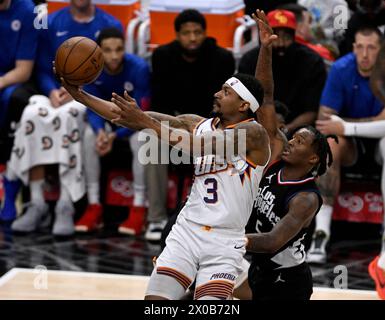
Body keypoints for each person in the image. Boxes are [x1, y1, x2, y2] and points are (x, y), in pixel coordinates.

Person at [56, 56, 270, 299]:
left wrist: (145, 122)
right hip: (187, 232)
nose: (217, 94)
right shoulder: (197, 124)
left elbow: (198, 147)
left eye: (226, 92)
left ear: (244, 105)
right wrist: (81, 96)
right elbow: (123, 115)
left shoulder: (254, 134)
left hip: (224, 240)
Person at [4, 0, 123, 235]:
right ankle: (37, 202)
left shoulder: (110, 23)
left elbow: (111, 72)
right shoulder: (52, 22)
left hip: (89, 96)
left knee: (69, 117)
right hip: (56, 91)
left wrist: (77, 92)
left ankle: (65, 205)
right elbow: (41, 68)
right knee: (32, 113)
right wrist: (51, 90)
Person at [243, 10, 333, 301]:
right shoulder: (278, 155)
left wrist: (219, 238)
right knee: (199, 291)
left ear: (312, 159)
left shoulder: (306, 198)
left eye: (300, 141)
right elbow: (264, 98)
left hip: (286, 281)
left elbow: (271, 242)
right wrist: (265, 48)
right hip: (255, 265)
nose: (290, 141)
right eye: (292, 137)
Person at [146, 9, 236, 241]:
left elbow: (225, 105)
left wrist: (203, 128)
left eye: (197, 32)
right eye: (187, 33)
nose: (193, 38)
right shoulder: (162, 56)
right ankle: (155, 218)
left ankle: (217, 218)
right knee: (149, 139)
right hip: (175, 124)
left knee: (228, 141)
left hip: (210, 126)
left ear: (205, 33)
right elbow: (159, 101)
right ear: (177, 35)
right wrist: (173, 127)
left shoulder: (222, 58)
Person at [307, 26, 385, 264]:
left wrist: (346, 125)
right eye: (359, 47)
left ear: (381, 51)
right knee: (329, 143)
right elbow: (324, 121)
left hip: (379, 140)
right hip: (352, 144)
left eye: (371, 48)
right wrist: (354, 127)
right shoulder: (342, 68)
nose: (364, 54)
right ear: (353, 48)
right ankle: (321, 233)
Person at [77, 27, 151, 234]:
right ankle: (94, 205)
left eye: (119, 49)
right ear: (98, 51)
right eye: (107, 50)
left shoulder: (139, 68)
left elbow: (143, 111)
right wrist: (101, 131)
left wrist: (116, 135)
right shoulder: (89, 68)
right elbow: (90, 105)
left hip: (136, 122)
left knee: (142, 140)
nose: (114, 56)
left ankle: (138, 207)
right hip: (107, 119)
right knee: (90, 135)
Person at [239, 9, 327, 134]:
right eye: (276, 36)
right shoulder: (250, 60)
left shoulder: (312, 62)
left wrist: (284, 131)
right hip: (255, 129)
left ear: (294, 37)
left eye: (286, 37)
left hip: (298, 131)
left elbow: (312, 111)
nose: (280, 43)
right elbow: (242, 105)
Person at [0, 0, 39, 221]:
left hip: (16, 80)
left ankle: (12, 188)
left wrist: (1, 81)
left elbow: (24, 70)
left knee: (11, 100)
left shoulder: (26, 11)